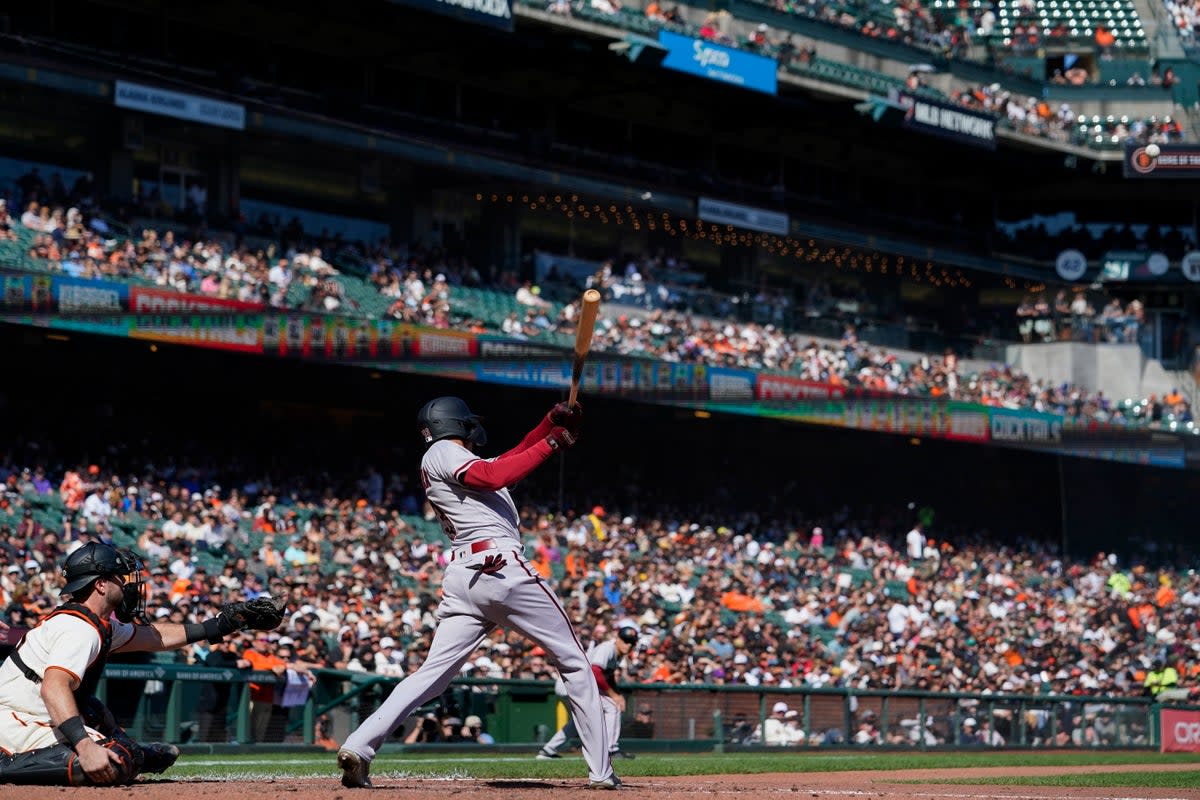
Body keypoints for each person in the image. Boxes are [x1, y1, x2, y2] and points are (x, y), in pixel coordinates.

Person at [336, 397, 618, 790]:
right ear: (458, 424)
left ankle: (359, 747)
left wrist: (549, 422)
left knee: (431, 676)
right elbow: (491, 475)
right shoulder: (443, 451)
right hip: (499, 568)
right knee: (575, 663)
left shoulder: (451, 459)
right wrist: (551, 443)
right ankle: (602, 773)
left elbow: (510, 460)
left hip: (467, 578)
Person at [0, 542, 285, 785]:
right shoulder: (80, 629)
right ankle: (8, 765)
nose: (128, 584)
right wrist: (85, 747)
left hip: (31, 714)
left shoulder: (94, 623)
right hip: (13, 721)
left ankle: (132, 753)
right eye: (119, 577)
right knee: (113, 761)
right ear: (100, 584)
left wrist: (223, 625)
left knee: (93, 710)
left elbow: (155, 637)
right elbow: (53, 687)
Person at [537, 626, 638, 761]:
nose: (629, 645)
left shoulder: (617, 654)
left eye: (632, 642)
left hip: (570, 685)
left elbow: (609, 676)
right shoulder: (607, 648)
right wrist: (614, 696)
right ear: (618, 639)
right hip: (574, 685)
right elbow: (596, 671)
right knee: (612, 706)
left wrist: (616, 693)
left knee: (577, 722)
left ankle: (547, 751)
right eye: (626, 640)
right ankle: (611, 750)